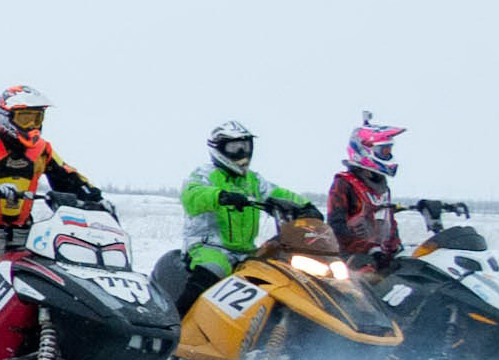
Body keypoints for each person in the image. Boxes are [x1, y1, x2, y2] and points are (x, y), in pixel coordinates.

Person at [0, 85, 104, 323]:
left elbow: (66, 175)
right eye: (25, 118)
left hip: (25, 230)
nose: (32, 125)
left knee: (31, 282)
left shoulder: (42, 149)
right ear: (6, 117)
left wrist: (92, 195)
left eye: (37, 118)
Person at [175, 120, 307, 314]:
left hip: (247, 252)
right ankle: (178, 324)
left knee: (279, 274)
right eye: (235, 147)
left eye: (245, 147)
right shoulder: (205, 174)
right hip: (209, 247)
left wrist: (305, 206)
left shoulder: (253, 181)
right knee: (212, 270)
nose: (242, 153)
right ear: (219, 149)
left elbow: (278, 193)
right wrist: (219, 196)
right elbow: (192, 194)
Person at [325, 117, 411, 269]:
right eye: (384, 151)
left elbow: (389, 223)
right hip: (352, 260)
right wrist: (369, 249)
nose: (388, 155)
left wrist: (396, 249)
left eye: (389, 150)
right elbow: (336, 227)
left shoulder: (382, 187)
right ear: (364, 151)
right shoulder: (344, 184)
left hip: (380, 258)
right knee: (370, 277)